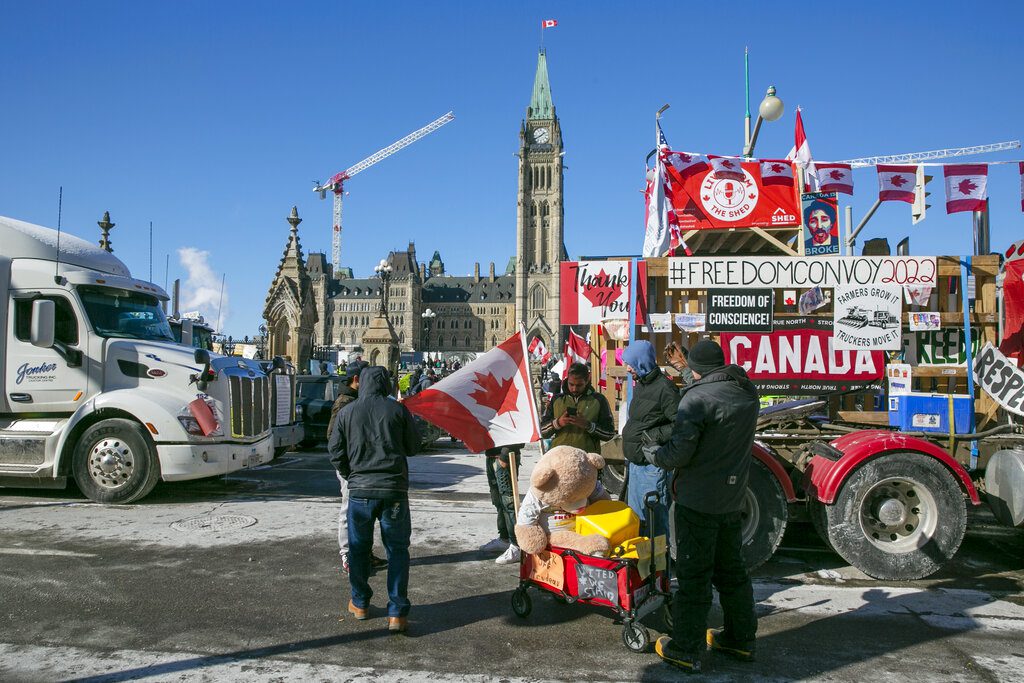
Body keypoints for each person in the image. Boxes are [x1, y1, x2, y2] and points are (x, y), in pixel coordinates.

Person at [645, 339, 759, 673]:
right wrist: (688, 370)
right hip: (731, 499)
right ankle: (740, 640)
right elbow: (712, 390)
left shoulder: (695, 399)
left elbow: (680, 453)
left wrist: (655, 454)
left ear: (698, 371)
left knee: (694, 576)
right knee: (732, 572)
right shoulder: (746, 390)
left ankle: (686, 647)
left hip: (698, 500)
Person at [328, 366, 420, 633]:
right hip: (393, 493)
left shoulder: (347, 412)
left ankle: (360, 603)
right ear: (386, 384)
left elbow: (334, 451)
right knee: (398, 551)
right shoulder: (398, 410)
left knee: (358, 549)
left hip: (360, 493)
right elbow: (414, 447)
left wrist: (351, 475)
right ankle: (397, 613)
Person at [326, 360, 387, 575]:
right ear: (356, 380)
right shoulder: (344, 402)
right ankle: (347, 555)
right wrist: (346, 469)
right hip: (351, 468)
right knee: (348, 510)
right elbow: (333, 440)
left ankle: (363, 552)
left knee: (362, 513)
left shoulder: (357, 399)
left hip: (360, 467)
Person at [621, 341, 678, 540]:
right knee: (638, 521)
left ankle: (660, 569)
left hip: (652, 467)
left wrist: (653, 436)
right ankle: (643, 569)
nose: (628, 368)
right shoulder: (642, 385)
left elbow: (680, 424)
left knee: (655, 524)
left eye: (631, 364)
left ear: (642, 362)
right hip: (637, 466)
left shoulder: (665, 388)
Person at [540, 363, 616, 454]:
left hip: (588, 459)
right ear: (567, 379)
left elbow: (609, 434)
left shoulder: (599, 400)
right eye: (571, 384)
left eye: (579, 385)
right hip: (559, 458)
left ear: (587, 380)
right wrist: (558, 423)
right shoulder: (556, 400)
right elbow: (542, 431)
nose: (574, 389)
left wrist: (588, 425)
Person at [479, 443, 524, 565]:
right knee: (498, 501)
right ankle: (504, 539)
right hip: (492, 455)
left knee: (509, 502)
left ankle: (517, 545)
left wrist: (504, 455)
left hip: (505, 456)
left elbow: (518, 431)